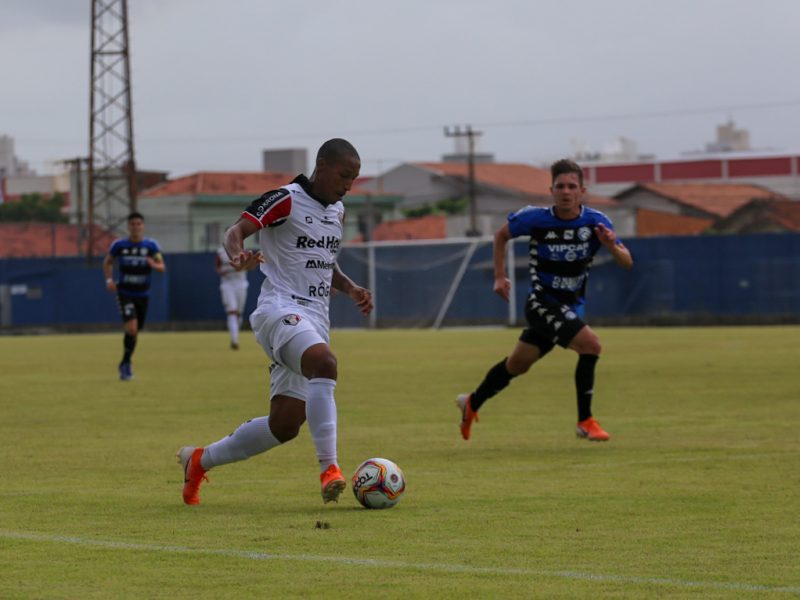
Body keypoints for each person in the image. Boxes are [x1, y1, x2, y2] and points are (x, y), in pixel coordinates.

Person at [177, 138, 373, 506]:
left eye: (354, 179)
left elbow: (324, 262)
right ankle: (329, 469)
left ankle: (200, 460)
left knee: (284, 426)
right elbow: (233, 232)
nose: (348, 185)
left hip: (314, 318)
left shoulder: (338, 212)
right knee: (326, 364)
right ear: (322, 165)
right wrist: (237, 257)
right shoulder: (285, 198)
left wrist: (350, 288)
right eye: (344, 175)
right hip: (278, 310)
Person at [457, 159, 633, 442]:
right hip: (541, 304)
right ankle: (585, 421)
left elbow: (627, 262)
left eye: (572, 186)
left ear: (582, 191)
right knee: (591, 345)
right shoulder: (535, 218)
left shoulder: (596, 221)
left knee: (517, 365)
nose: (566, 192)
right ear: (551, 190)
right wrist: (500, 277)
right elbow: (501, 235)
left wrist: (611, 244)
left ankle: (472, 402)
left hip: (571, 309)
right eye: (560, 186)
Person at [102, 211, 166, 381]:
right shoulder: (119, 245)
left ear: (143, 226)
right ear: (128, 226)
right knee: (131, 327)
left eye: (139, 224)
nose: (136, 227)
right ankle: (126, 365)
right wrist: (109, 280)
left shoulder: (151, 246)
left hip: (143, 294)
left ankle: (125, 361)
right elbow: (108, 261)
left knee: (135, 331)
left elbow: (162, 267)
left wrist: (154, 264)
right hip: (125, 293)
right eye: (133, 224)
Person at [214, 245, 249, 349]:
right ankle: (234, 340)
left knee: (238, 313)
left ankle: (235, 335)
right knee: (232, 311)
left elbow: (249, 265)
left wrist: (243, 266)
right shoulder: (220, 252)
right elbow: (217, 266)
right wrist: (220, 272)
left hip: (241, 284)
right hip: (227, 284)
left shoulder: (243, 250)